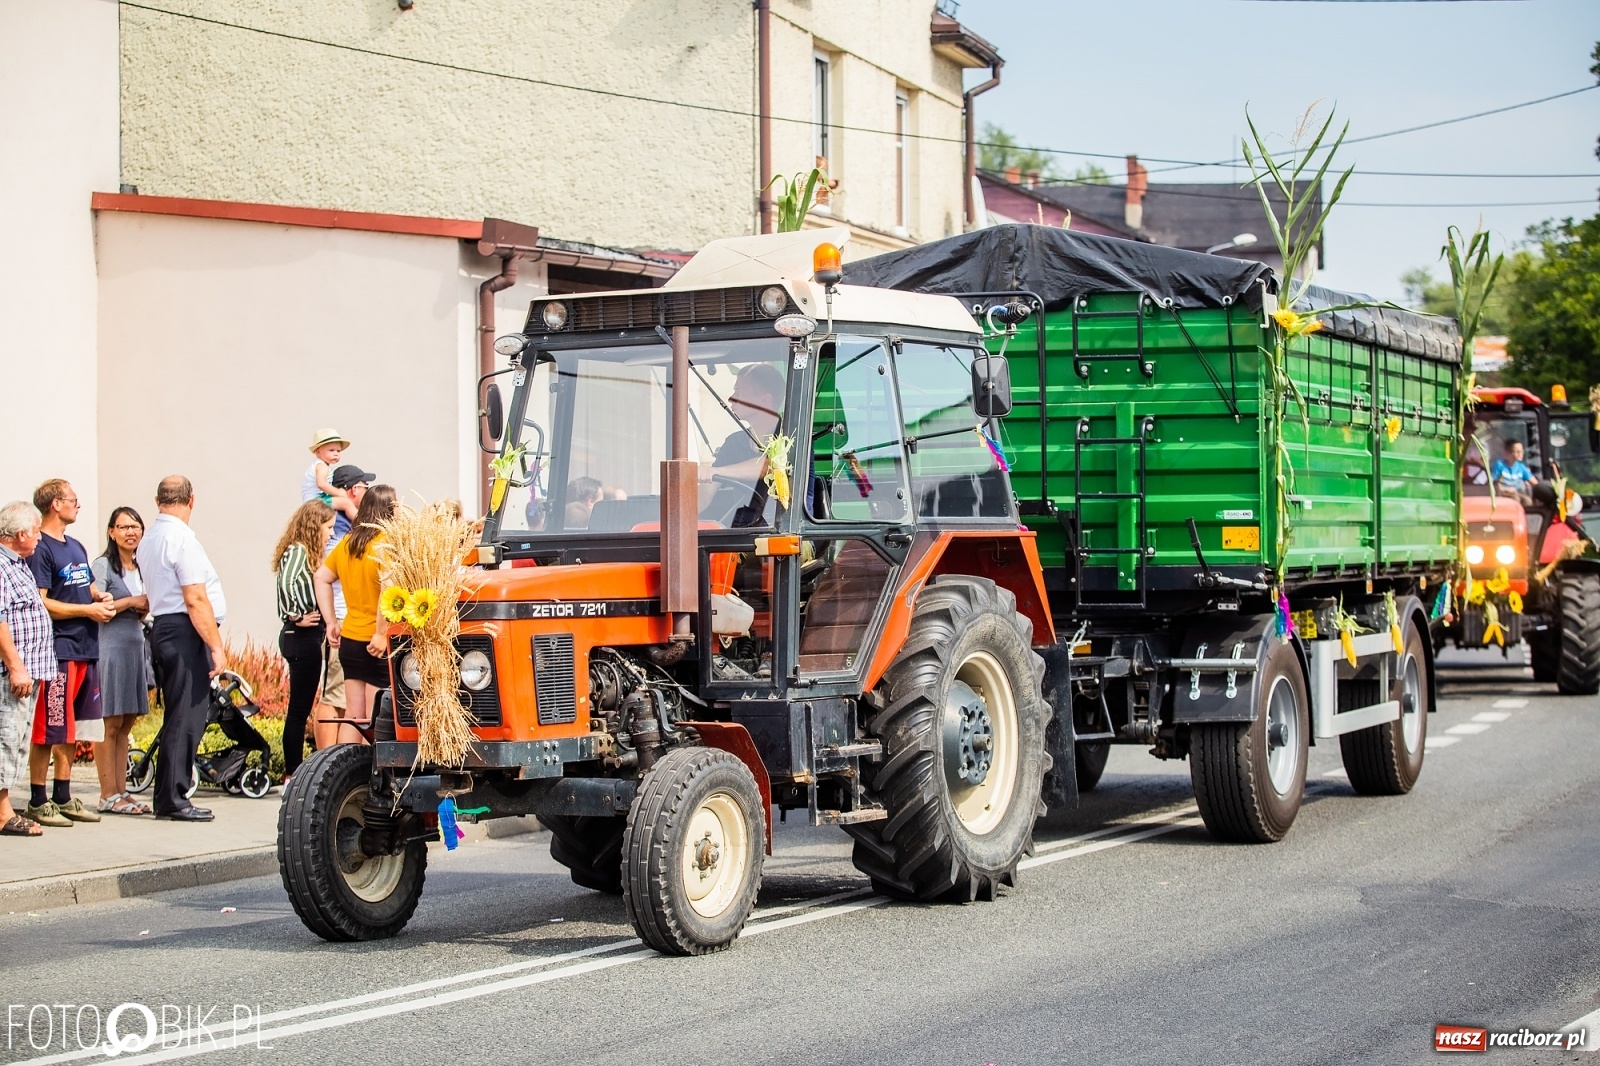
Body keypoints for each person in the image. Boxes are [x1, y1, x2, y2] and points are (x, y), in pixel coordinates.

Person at [136, 476, 227, 822]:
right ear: (192, 499)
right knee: (186, 716)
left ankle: (168, 796)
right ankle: (173, 798)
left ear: (157, 500)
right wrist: (216, 647)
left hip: (165, 627)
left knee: (178, 714)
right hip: (184, 630)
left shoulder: (150, 538)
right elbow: (195, 598)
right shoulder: (181, 539)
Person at [26, 480, 113, 827]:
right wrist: (87, 611)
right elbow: (42, 602)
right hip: (58, 651)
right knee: (49, 727)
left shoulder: (75, 546)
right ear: (55, 504)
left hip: (85, 648)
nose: (78, 505)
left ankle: (62, 795)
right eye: (73, 500)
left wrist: (99, 597)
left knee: (70, 728)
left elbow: (85, 587)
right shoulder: (41, 548)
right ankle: (37, 799)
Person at [314, 484, 396, 742]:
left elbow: (321, 577)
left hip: (350, 639)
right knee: (375, 718)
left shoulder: (347, 543)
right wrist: (381, 633)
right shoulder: (386, 546)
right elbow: (388, 590)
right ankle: (371, 767)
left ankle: (344, 764)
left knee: (354, 716)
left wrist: (330, 621)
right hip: (376, 643)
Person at [90, 507, 154, 815]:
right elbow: (96, 607)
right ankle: (107, 794)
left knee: (126, 722)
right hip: (111, 647)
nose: (131, 532)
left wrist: (144, 607)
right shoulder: (103, 565)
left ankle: (121, 790)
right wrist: (131, 601)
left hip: (135, 646)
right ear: (111, 532)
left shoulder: (143, 566)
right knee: (111, 722)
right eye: (124, 527)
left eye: (136, 526)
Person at [0, 502, 55, 836]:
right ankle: (2, 813)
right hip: (11, 674)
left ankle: (4, 806)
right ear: (20, 534)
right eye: (36, 531)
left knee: (16, 740)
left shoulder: (18, 564)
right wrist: (16, 667)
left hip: (26, 672)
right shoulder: (1, 567)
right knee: (5, 738)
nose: (39, 537)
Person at [273, 500, 333, 781]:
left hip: (302, 636)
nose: (330, 534)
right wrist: (296, 615)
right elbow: (288, 582)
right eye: (328, 528)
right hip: (301, 635)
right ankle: (292, 772)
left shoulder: (301, 551)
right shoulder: (298, 551)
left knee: (300, 708)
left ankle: (293, 770)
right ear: (314, 526)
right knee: (298, 710)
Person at [316, 464, 374, 748]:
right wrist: (331, 621)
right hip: (350, 624)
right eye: (363, 486)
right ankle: (333, 759)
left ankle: (341, 761)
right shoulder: (349, 539)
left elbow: (321, 577)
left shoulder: (345, 538)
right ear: (352, 490)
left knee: (350, 708)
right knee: (341, 701)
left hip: (346, 625)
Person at [704, 363, 786, 526]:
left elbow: (768, 466)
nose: (731, 398)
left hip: (785, 533)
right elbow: (707, 493)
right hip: (743, 533)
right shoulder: (733, 443)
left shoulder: (791, 436)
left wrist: (716, 471)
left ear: (765, 400)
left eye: (739, 392)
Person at [303, 429, 358, 523]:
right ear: (318, 452)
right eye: (331, 450)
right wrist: (338, 492)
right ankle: (362, 523)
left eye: (338, 451)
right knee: (347, 503)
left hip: (315, 499)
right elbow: (321, 484)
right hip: (316, 500)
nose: (336, 454)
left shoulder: (319, 465)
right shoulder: (322, 466)